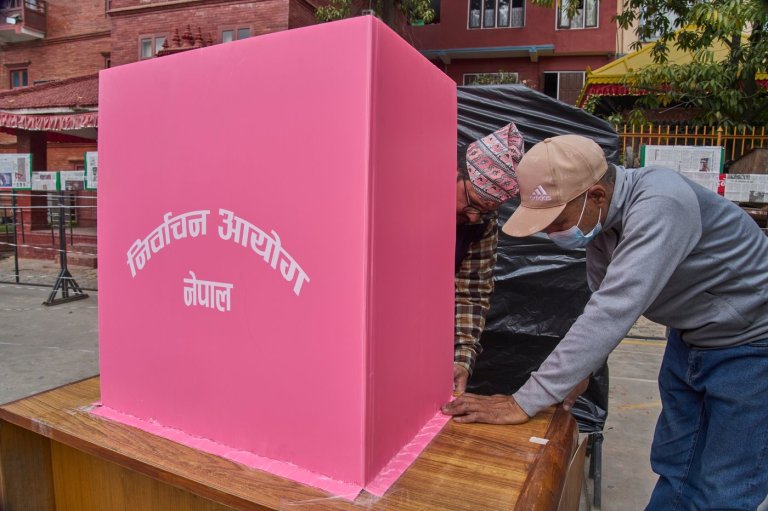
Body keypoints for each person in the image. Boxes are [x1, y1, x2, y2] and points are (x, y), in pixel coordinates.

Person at [443, 135, 768, 510]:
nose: (550, 234)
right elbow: (597, 307)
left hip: (752, 349)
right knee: (676, 465)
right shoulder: (604, 232)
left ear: (595, 196)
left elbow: (614, 310)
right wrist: (579, 372)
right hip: (692, 341)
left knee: (722, 488)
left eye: (556, 221)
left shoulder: (662, 203)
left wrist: (524, 401)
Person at [453, 123, 524, 394]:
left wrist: (462, 356)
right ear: (455, 172)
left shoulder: (481, 223)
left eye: (483, 211)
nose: (472, 217)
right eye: (471, 203)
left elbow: (471, 292)